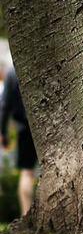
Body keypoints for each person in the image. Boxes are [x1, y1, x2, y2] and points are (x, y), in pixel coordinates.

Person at [0, 65, 38, 217]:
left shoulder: (11, 71)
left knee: (27, 173)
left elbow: (4, 104)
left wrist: (2, 132)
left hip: (25, 128)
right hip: (52, 125)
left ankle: (26, 215)